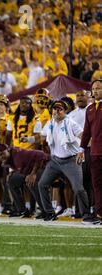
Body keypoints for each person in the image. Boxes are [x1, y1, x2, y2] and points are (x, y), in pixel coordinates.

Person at [39, 100, 92, 223]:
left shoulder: (71, 123)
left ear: (65, 110)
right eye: (55, 109)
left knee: (78, 188)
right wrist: (30, 139)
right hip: (55, 161)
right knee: (42, 184)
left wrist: (85, 148)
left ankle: (87, 215)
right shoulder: (50, 123)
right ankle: (49, 213)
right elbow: (41, 136)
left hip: (71, 161)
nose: (57, 111)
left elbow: (84, 137)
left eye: (60, 109)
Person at [0, 144, 50, 218]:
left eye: (2, 154)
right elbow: (22, 166)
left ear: (7, 150)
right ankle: (21, 210)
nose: (1, 157)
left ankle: (45, 211)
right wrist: (13, 172)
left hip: (45, 165)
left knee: (31, 183)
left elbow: (41, 155)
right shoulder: (10, 156)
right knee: (12, 181)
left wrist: (33, 174)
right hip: (31, 168)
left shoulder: (17, 156)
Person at [79, 79, 102, 224]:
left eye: (99, 88)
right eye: (94, 89)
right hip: (94, 152)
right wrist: (81, 148)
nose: (96, 91)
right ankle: (99, 214)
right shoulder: (90, 108)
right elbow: (87, 131)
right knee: (97, 185)